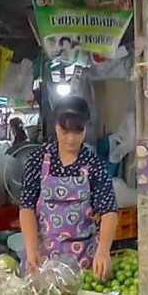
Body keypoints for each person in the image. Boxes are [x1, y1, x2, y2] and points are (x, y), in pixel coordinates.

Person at [19, 95, 118, 277]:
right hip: (42, 258)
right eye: (65, 132)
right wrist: (31, 249)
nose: (71, 139)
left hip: (83, 258)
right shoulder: (37, 160)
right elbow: (27, 207)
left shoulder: (94, 164)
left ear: (86, 128)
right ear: (54, 126)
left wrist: (103, 250)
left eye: (77, 132)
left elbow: (109, 211)